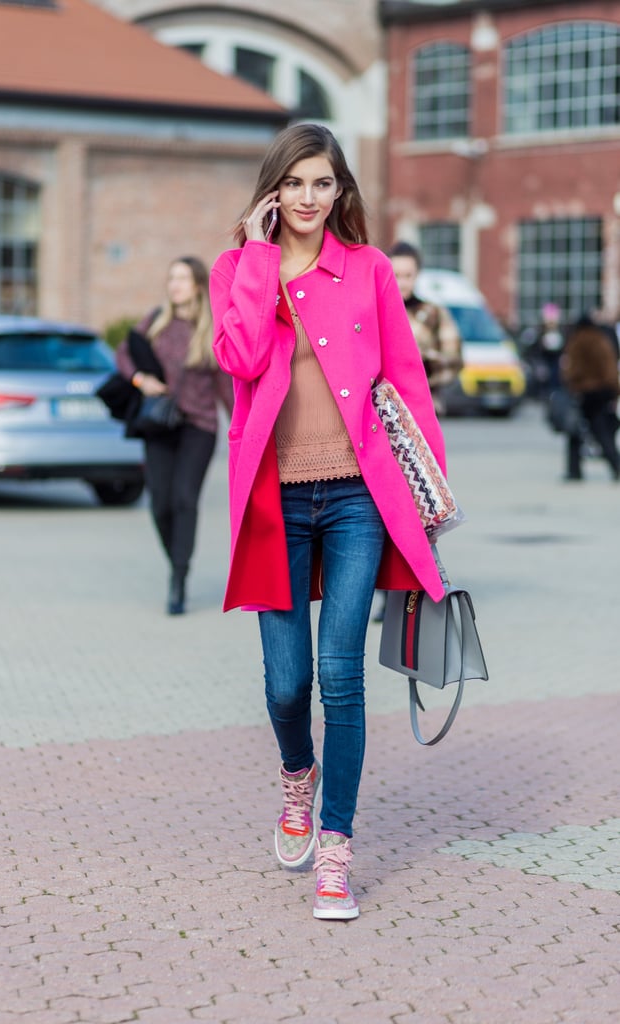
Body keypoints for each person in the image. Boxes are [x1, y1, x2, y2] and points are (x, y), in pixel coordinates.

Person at [209, 124, 447, 921]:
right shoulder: (237, 271)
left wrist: (428, 495)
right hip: (276, 501)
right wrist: (252, 260)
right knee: (287, 685)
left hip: (356, 499)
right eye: (296, 182)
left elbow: (408, 385)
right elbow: (239, 359)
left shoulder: (370, 271)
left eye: (323, 183)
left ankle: (336, 852)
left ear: (340, 190)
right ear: (272, 189)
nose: (310, 197)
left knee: (341, 677)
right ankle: (294, 778)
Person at [116, 256, 234, 614]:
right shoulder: (155, 320)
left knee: (185, 499)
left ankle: (179, 578)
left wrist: (242, 432)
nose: (175, 285)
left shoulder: (212, 326)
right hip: (159, 424)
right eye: (172, 278)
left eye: (182, 278)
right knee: (160, 504)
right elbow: (124, 355)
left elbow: (226, 386)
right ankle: (176, 561)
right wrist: (141, 380)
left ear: (198, 285)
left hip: (199, 427)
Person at [387, 241, 463, 416]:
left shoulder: (433, 312)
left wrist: (422, 365)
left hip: (424, 403)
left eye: (408, 275)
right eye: (396, 275)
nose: (402, 283)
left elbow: (454, 359)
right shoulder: (375, 311)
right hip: (384, 407)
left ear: (417, 275)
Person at [560, 312, 620, 481]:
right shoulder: (601, 340)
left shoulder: (578, 342)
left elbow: (572, 370)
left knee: (575, 433)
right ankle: (616, 465)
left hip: (583, 393)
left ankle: (574, 470)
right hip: (602, 392)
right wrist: (614, 392)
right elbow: (610, 369)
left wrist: (571, 383)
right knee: (602, 433)